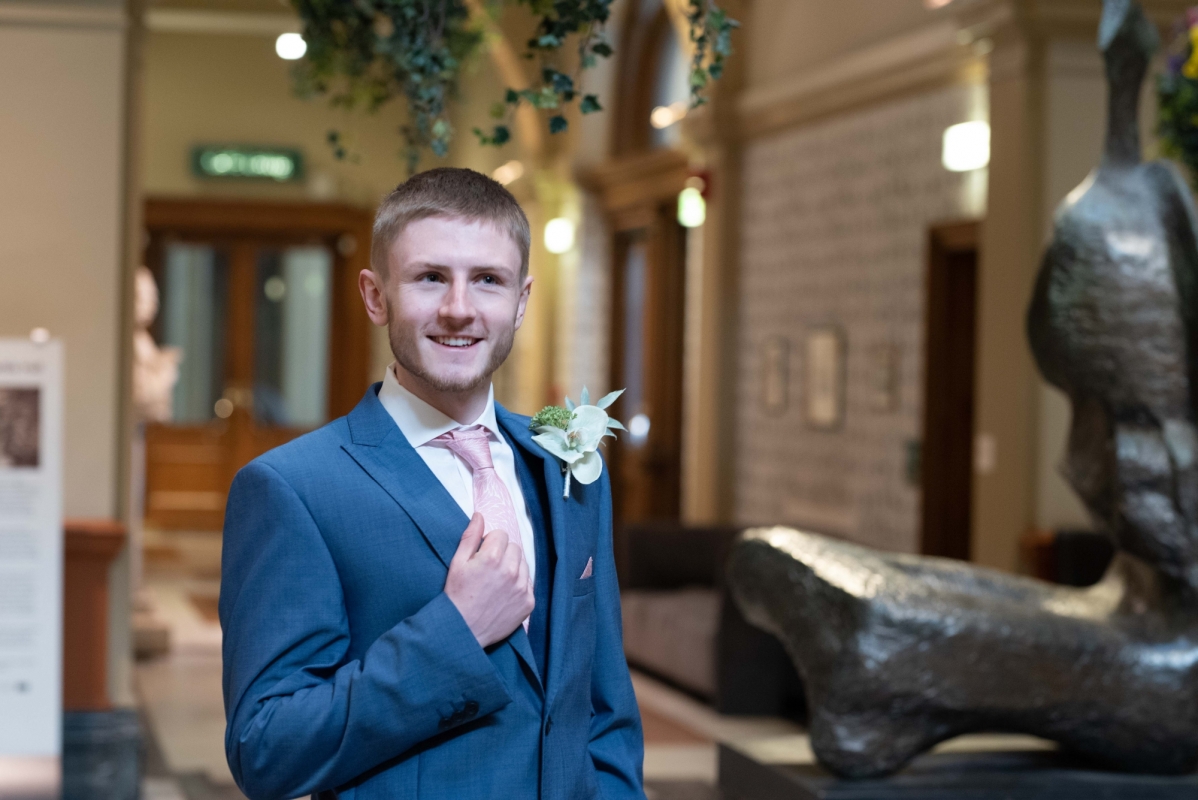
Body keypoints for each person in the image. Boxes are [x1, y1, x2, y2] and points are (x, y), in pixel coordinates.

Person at [219, 168, 645, 800]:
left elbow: (603, 708)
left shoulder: (570, 469)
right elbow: (266, 746)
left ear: (522, 300)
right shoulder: (292, 488)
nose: (459, 308)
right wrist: (456, 632)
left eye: (488, 281)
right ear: (375, 295)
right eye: (429, 277)